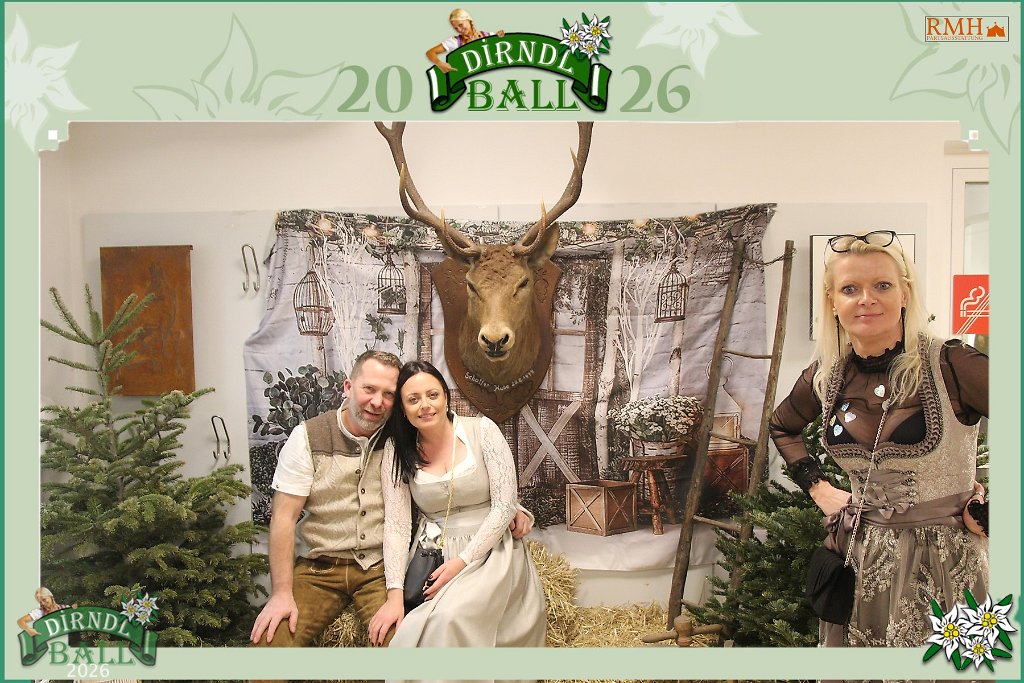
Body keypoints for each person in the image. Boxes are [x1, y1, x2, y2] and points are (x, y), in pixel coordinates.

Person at [770, 230, 988, 648]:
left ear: (905, 293)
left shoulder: (950, 363)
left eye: (882, 285)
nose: (866, 299)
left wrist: (992, 509)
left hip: (948, 563)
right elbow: (782, 426)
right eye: (850, 289)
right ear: (833, 302)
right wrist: (818, 487)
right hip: (863, 558)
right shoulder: (827, 376)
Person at [250, 350, 532, 660]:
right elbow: (283, 519)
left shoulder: (402, 436)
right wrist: (281, 593)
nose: (377, 402)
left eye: (388, 394)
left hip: (377, 569)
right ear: (348, 387)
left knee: (406, 651)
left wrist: (512, 507)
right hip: (320, 567)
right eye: (369, 389)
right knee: (268, 652)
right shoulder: (309, 437)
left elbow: (474, 483)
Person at [368, 361, 546, 653]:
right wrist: (394, 596)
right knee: (418, 626)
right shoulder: (396, 449)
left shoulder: (483, 431)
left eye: (432, 395)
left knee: (450, 617)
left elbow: (504, 506)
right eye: (413, 399)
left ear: (446, 397)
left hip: (489, 551)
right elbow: (397, 526)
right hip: (433, 552)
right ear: (402, 408)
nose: (425, 405)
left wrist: (462, 561)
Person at [426, 8, 505, 73]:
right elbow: (430, 52)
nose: (459, 30)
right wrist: (440, 64)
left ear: (469, 20)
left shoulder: (488, 35)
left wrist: (501, 36)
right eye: (456, 28)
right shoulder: (454, 42)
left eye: (460, 25)